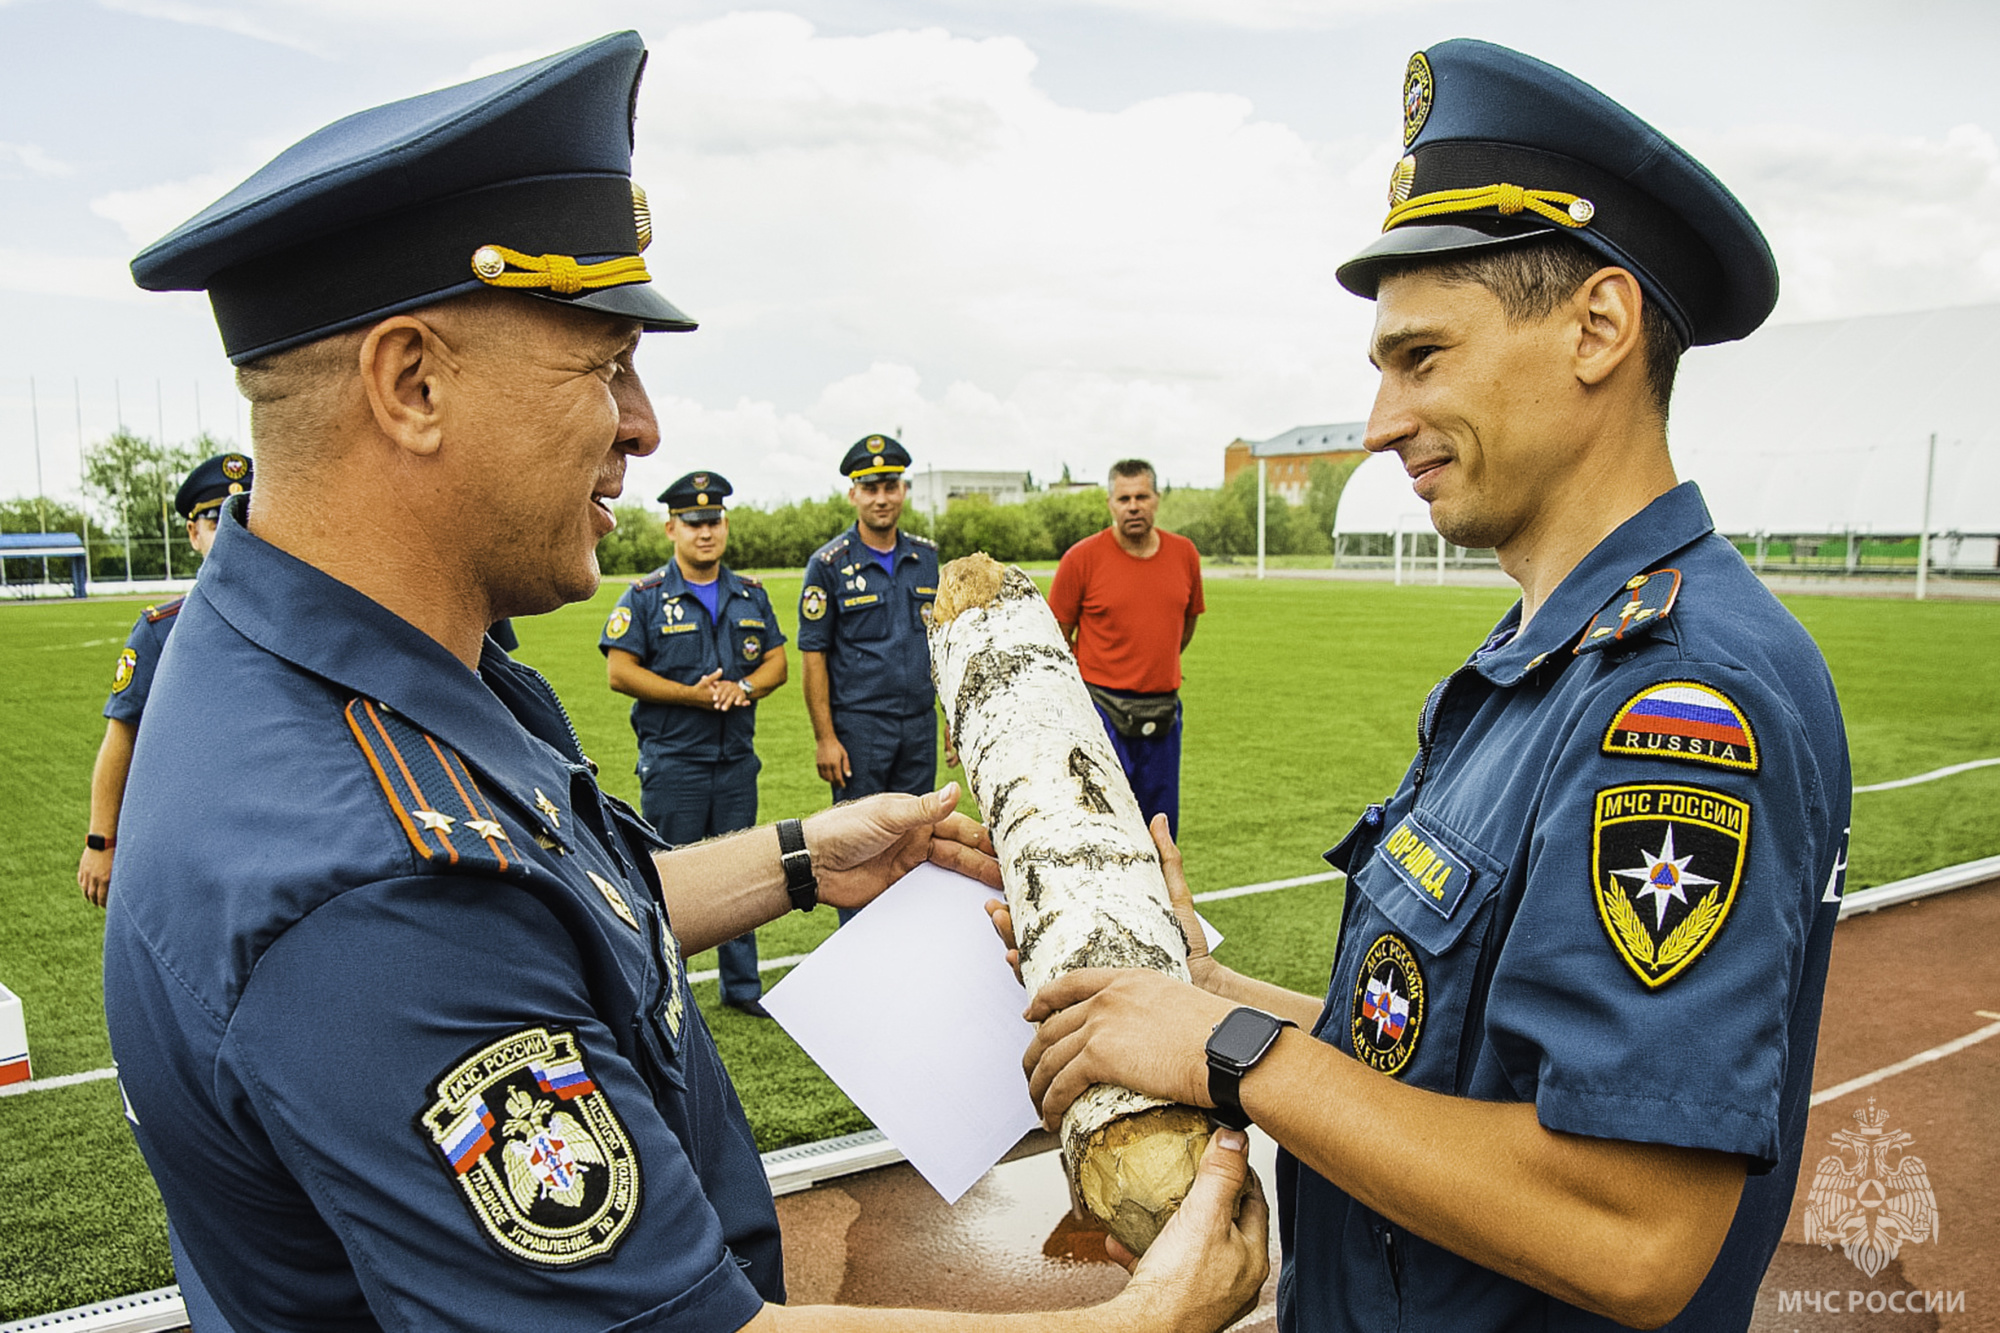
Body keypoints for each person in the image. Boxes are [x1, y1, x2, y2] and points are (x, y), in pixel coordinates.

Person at [102, 33, 1266, 1333]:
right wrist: (1139, 1322)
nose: (645, 424)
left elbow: (545, 913)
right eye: (604, 362)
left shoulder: (329, 661)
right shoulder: (369, 880)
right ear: (412, 383)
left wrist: (807, 859)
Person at [1011, 38, 1850, 1333]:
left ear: (1599, 327)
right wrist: (1198, 989)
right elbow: (1442, 1062)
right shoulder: (1548, 661)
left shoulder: (1676, 701)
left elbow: (1635, 1231)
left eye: (1422, 358)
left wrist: (1238, 1059)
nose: (1377, 422)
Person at [602, 470, 785, 1018]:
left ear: (724, 525)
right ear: (671, 529)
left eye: (713, 521)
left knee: (742, 873)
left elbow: (775, 661)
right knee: (669, 879)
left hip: (734, 762)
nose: (705, 532)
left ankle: (744, 988)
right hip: (674, 762)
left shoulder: (749, 594)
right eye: (693, 523)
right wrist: (691, 695)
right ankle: (668, 991)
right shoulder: (646, 597)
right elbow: (620, 672)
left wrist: (743, 686)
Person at [77, 451, 252, 908]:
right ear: (194, 535)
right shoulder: (163, 631)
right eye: (218, 522)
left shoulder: (305, 620)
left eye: (248, 517)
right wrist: (102, 842)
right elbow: (122, 734)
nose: (235, 532)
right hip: (190, 844)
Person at [797, 435, 942, 919]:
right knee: (856, 848)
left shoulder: (927, 558)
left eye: (890, 486)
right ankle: (858, 954)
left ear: (903, 491)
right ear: (853, 494)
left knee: (918, 836)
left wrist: (951, 718)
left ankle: (909, 943)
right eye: (870, 487)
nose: (881, 497)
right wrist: (825, 738)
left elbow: (943, 644)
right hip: (860, 729)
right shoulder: (829, 564)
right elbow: (813, 654)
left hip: (918, 725)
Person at [1047, 459, 1204, 838]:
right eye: (1124, 498)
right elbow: (1055, 639)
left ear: (1157, 499)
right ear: (1110, 504)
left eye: (1142, 496)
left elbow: (1186, 625)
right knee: (1101, 825)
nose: (1133, 506)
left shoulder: (1184, 554)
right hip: (1101, 711)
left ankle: (1162, 899)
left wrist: (1151, 664)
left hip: (1163, 713)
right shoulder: (1081, 559)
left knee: (1161, 829)